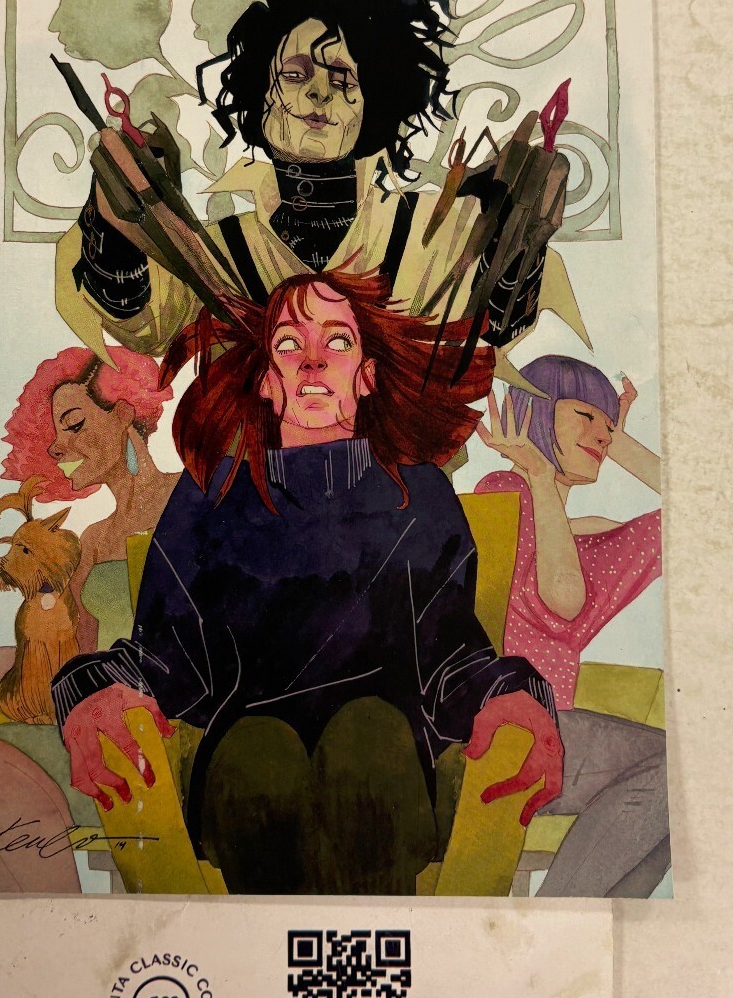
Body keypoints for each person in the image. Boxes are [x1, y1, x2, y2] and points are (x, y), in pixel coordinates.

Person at [50, 270, 563, 895]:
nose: (313, 360)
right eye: (289, 344)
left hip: (387, 769)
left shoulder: (419, 492)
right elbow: (166, 656)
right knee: (257, 750)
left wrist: (512, 694)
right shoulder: (212, 493)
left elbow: (451, 653)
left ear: (366, 376)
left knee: (367, 734)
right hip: (244, 768)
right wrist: (89, 691)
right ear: (268, 381)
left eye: (337, 341)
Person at [55, 0, 585, 368]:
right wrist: (114, 225)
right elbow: (145, 329)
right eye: (295, 75)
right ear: (260, 96)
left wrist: (522, 239)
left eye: (343, 79)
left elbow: (495, 329)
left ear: (372, 106)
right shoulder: (215, 252)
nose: (319, 93)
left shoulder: (435, 231)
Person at [474, 355, 668, 897]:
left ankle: (580, 921)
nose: (600, 433)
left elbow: (703, 517)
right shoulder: (503, 491)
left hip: (556, 739)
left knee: (681, 795)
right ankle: (559, 917)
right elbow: (561, 599)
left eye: (608, 424)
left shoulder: (594, 544)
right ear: (533, 414)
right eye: (584, 415)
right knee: (680, 773)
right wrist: (539, 473)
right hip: (500, 732)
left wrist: (620, 443)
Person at [0, 345, 180, 654]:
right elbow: (84, 649)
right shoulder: (93, 541)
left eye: (73, 424)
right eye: (55, 434)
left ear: (122, 414)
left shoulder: (188, 493)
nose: (56, 447)